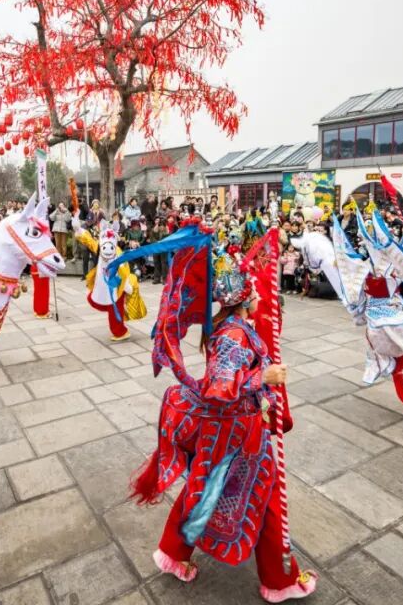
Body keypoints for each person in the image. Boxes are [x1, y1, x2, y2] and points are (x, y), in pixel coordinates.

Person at [133, 252, 318, 602]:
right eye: (256, 293)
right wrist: (263, 376)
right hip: (237, 433)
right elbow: (220, 386)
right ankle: (280, 581)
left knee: (208, 491)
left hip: (240, 427)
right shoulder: (233, 333)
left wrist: (263, 392)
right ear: (244, 300)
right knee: (261, 497)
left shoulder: (234, 327)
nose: (261, 297)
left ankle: (173, 553)